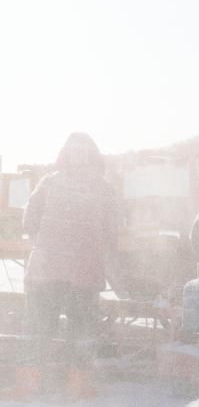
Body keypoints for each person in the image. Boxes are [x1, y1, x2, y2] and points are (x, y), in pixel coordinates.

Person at [22, 133, 118, 375]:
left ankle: (35, 384)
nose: (78, 155)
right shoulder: (102, 187)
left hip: (50, 270)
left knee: (41, 330)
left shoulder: (50, 182)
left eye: (81, 150)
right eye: (75, 150)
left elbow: (29, 221)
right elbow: (111, 232)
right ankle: (76, 386)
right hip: (78, 271)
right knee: (78, 331)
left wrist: (46, 246)